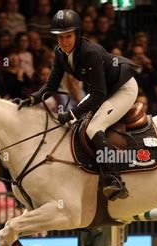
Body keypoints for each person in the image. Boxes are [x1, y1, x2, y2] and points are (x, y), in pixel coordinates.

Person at [12, 10, 138, 201]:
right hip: (102, 89)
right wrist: (31, 99)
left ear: (77, 34)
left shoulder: (89, 53)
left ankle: (115, 179)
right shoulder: (60, 53)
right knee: (74, 125)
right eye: (59, 37)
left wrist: (71, 113)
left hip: (122, 88)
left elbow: (99, 94)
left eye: (68, 36)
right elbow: (51, 85)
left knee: (94, 127)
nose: (63, 42)